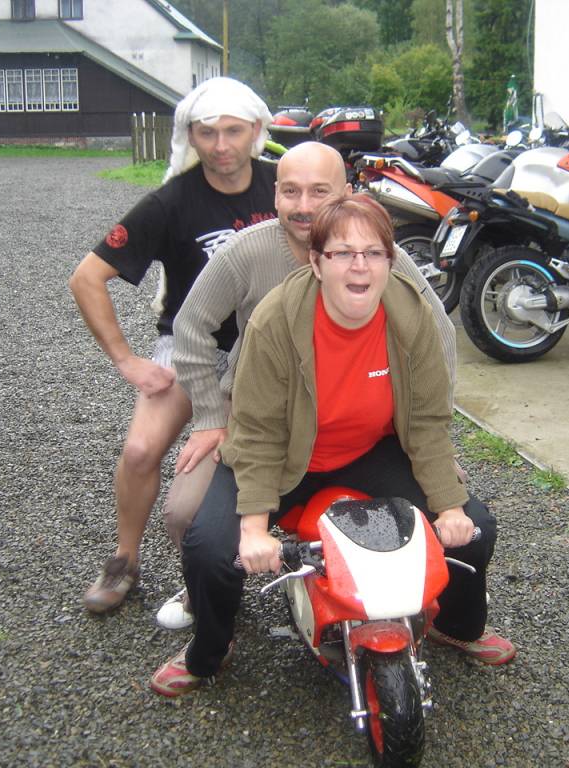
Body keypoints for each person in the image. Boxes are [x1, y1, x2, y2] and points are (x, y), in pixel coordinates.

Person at [150, 194, 514, 697]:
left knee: (475, 529)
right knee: (210, 549)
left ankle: (456, 626)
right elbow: (256, 433)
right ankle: (209, 651)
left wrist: (450, 507)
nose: (359, 265)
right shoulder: (276, 320)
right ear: (317, 263)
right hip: (282, 458)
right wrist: (254, 528)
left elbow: (428, 421)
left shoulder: (412, 316)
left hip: (368, 451)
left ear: (390, 261)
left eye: (373, 252)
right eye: (342, 253)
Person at [153, 142, 458, 630]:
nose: (304, 206)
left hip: (358, 416)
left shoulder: (379, 255)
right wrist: (210, 416)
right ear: (275, 195)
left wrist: (424, 434)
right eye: (291, 191)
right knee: (188, 515)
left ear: (346, 194)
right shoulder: (244, 252)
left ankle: (434, 610)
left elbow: (438, 337)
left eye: (320, 192)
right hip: (258, 410)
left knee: (455, 506)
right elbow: (189, 326)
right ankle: (206, 599)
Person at [69, 77, 277, 614]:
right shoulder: (171, 202)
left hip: (270, 348)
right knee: (140, 451)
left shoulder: (284, 187)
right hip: (190, 347)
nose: (221, 145)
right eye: (207, 133)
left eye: (233, 131)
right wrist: (126, 360)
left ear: (256, 130)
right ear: (190, 135)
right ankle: (125, 559)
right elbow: (86, 278)